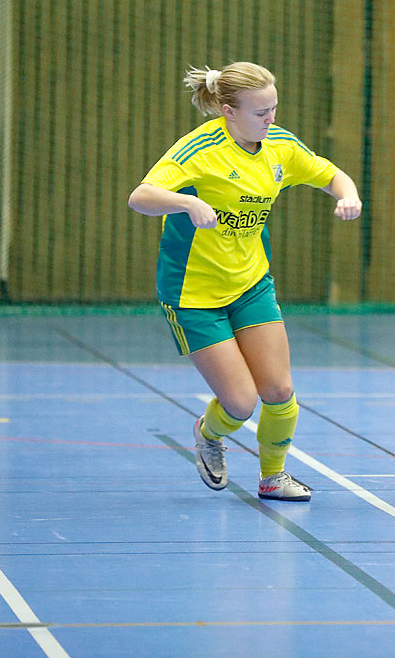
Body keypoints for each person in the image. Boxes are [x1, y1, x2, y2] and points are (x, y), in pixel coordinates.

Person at [128, 62, 362, 501]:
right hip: (193, 293)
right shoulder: (200, 149)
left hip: (251, 283)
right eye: (260, 112)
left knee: (279, 389)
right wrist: (183, 203)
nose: (270, 119)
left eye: (274, 108)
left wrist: (348, 195)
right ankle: (207, 432)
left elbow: (329, 173)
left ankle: (273, 476)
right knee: (239, 403)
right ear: (228, 111)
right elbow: (140, 197)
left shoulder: (279, 146)